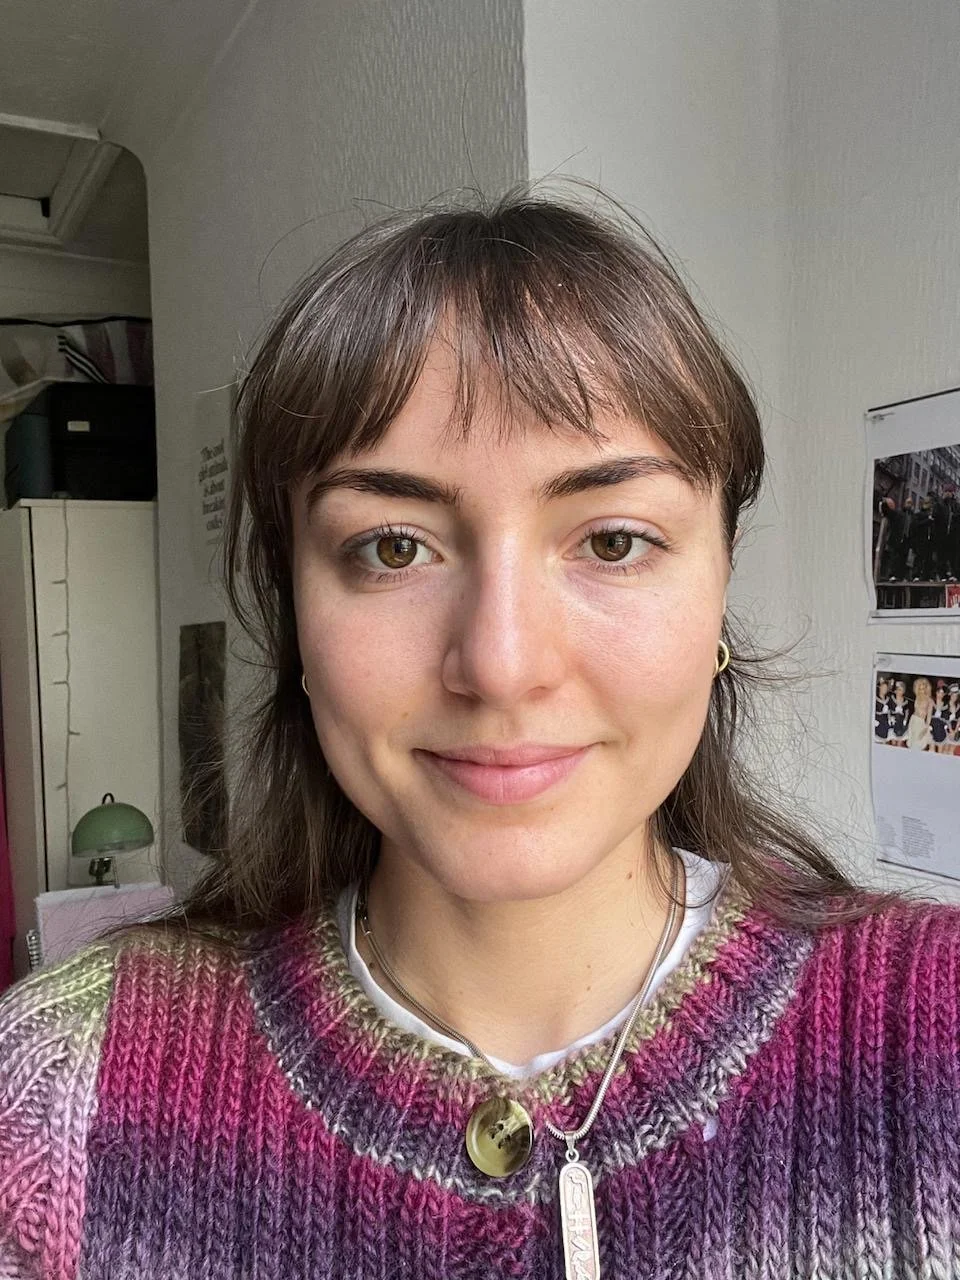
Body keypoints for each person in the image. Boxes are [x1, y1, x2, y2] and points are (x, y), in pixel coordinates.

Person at [2, 190, 959, 1280]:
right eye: (393, 547)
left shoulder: (935, 1039)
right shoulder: (60, 1093)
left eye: (613, 540)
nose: (501, 663)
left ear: (719, 593)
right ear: (295, 616)